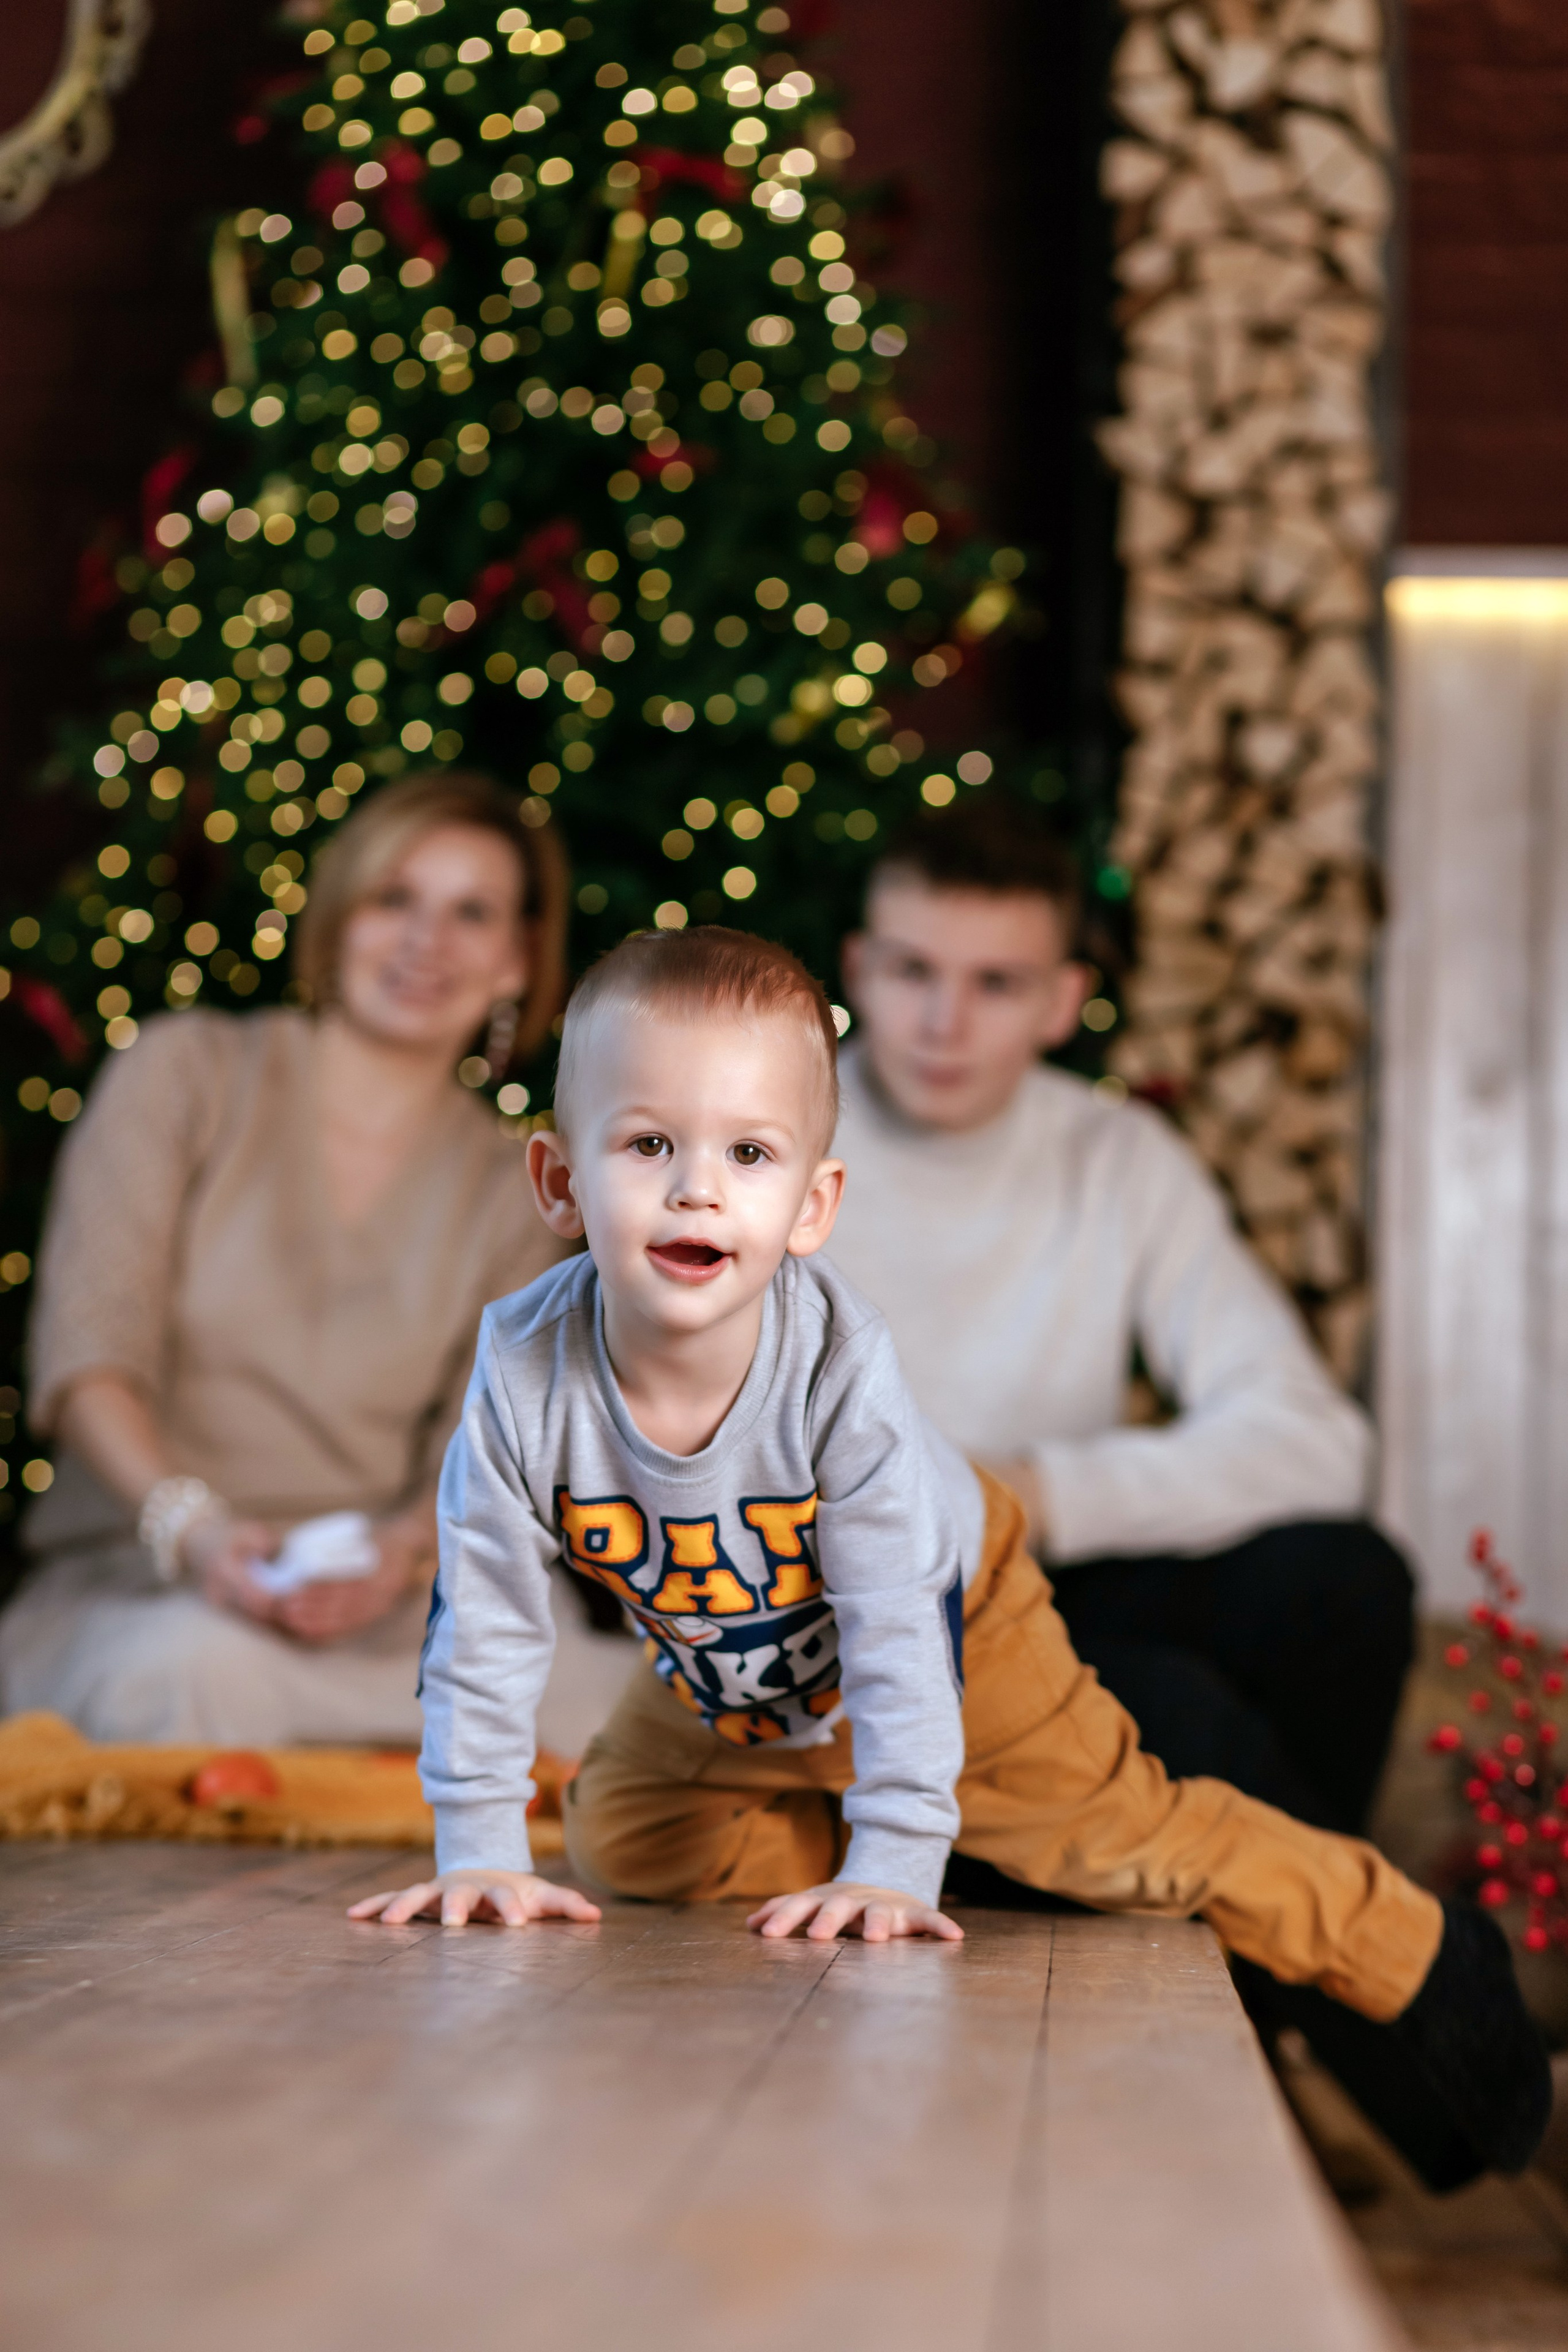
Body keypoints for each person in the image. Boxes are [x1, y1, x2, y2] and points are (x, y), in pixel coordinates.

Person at [349, 926, 1548, 2194]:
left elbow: (894, 1624)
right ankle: (935, 1834)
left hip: (951, 1623)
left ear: (811, 1205)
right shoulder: (524, 1365)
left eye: (748, 1154)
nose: (696, 1189)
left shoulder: (835, 1375)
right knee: (625, 1844)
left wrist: (893, 1855)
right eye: (647, 1144)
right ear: (556, 1181)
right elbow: (480, 1605)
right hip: (732, 1670)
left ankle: (1406, 1943)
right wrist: (476, 1842)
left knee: (1123, 1841)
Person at [827, 791, 1409, 1840]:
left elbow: (1320, 1444)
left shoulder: (1118, 1158)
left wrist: (1039, 1494)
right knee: (1164, 1708)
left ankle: (1294, 1977)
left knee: (1345, 1582)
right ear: (860, 968)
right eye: (913, 972)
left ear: (1063, 1003)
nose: (942, 1024)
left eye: (996, 984)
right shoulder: (763, 1140)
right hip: (840, 1614)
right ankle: (1362, 1971)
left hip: (1054, 1571)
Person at [0, 771, 623, 1749]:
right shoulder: (182, 1074)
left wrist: (403, 1551)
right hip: (150, 1580)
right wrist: (195, 1533)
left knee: (609, 1705)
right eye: (394, 900)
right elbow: (88, 1357)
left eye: (471, 913)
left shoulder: (520, 1188)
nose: (427, 942)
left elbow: (481, 1447)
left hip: (381, 1608)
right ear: (340, 920)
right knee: (194, 1675)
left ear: (516, 961)